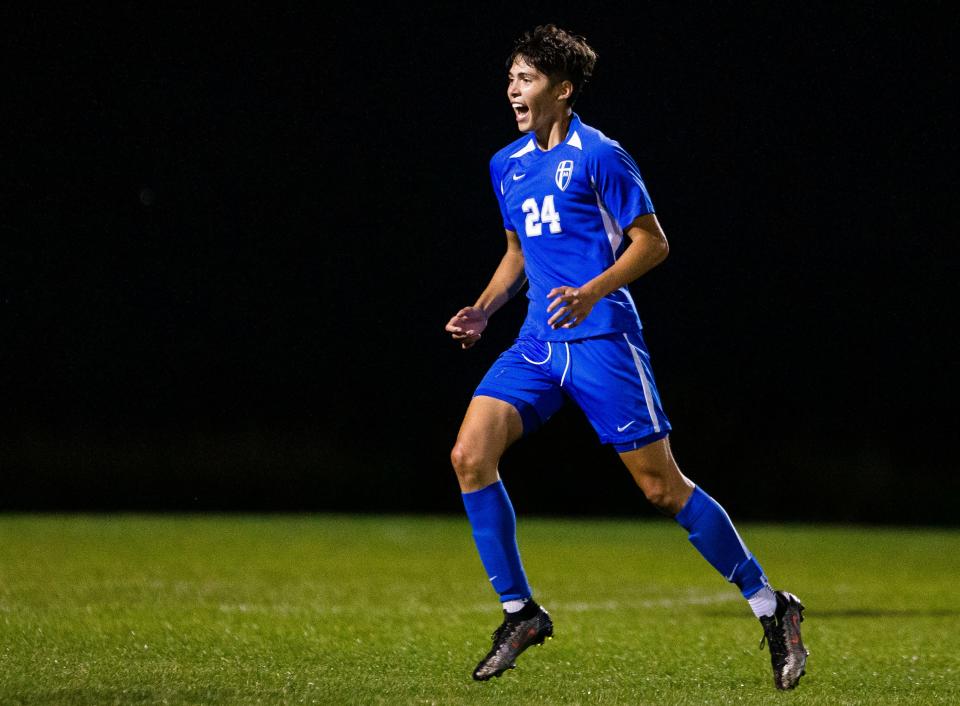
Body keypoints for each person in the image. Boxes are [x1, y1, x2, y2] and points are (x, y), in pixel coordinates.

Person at [444, 24, 808, 690]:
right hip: (536, 343)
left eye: (525, 80)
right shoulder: (506, 164)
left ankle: (770, 604)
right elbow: (519, 254)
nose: (513, 91)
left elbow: (653, 243)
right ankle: (520, 611)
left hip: (603, 339)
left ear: (563, 89)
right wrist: (483, 310)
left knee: (660, 487)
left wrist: (590, 292)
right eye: (510, 79)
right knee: (470, 455)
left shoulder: (601, 156)